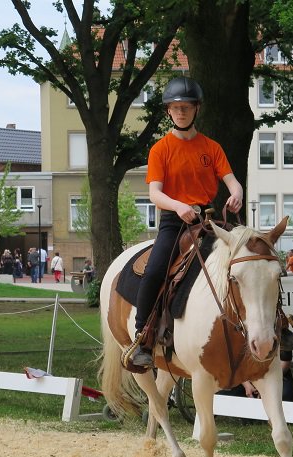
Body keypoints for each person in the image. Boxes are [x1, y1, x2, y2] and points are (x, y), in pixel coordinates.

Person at [124, 76, 243, 369]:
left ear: (196, 109)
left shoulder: (212, 148)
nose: (181, 112)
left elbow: (232, 181)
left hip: (208, 219)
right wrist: (179, 206)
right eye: (176, 107)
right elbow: (154, 194)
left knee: (245, 260)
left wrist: (237, 193)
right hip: (174, 221)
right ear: (168, 111)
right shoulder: (160, 149)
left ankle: (267, 325)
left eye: (186, 107)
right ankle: (142, 337)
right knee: (155, 271)